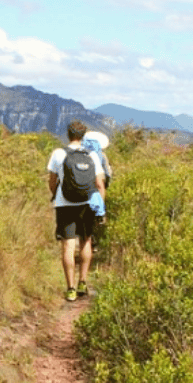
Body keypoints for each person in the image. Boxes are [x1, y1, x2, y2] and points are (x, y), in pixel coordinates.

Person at [46, 120, 107, 301]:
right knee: (86, 241)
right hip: (87, 205)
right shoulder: (92, 155)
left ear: (68, 134)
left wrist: (57, 195)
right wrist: (100, 209)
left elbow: (52, 182)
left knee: (68, 245)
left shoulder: (58, 154)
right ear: (83, 136)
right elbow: (99, 184)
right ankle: (83, 282)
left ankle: (70, 288)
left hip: (64, 205)